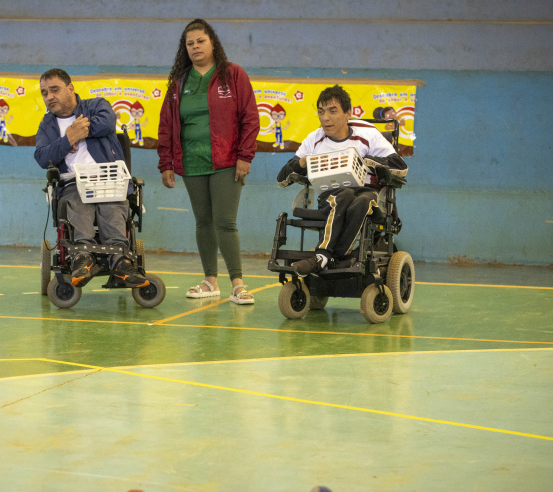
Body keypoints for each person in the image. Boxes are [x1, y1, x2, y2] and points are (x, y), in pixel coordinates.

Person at [158, 18, 259, 305]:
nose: (195, 47)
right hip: (191, 163)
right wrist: (167, 163)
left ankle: (237, 284)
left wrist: (244, 155)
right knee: (203, 222)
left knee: (225, 222)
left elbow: (250, 118)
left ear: (212, 42)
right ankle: (210, 281)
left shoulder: (234, 75)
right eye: (189, 43)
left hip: (227, 162)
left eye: (200, 41)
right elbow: (166, 125)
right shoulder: (179, 83)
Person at [277, 85, 407, 277]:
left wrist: (365, 161)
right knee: (344, 194)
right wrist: (303, 162)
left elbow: (400, 167)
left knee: (363, 200)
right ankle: (335, 258)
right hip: (330, 197)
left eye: (332, 111)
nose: (325, 118)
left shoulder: (367, 134)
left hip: (367, 194)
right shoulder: (314, 139)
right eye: (321, 112)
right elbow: (282, 179)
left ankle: (323, 256)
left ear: (349, 113)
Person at [34, 68, 147, 288]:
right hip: (73, 183)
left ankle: (121, 262)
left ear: (71, 88)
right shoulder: (47, 125)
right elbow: (41, 156)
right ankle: (82, 258)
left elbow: (106, 121)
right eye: (44, 93)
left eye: (54, 90)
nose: (49, 97)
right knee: (78, 203)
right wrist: (68, 139)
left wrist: (79, 131)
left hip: (109, 179)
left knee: (113, 205)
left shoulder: (95, 106)